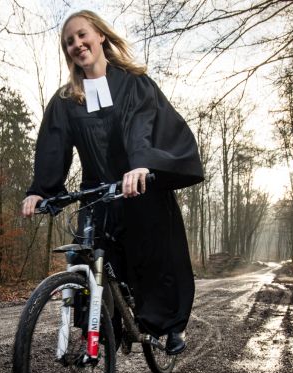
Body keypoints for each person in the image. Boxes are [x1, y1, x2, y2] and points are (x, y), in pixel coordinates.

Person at [21, 10, 204, 355]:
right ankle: (97, 333)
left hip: (140, 185)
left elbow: (140, 127)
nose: (76, 44)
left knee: (156, 256)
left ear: (100, 36)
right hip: (98, 194)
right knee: (85, 256)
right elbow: (53, 147)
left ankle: (171, 326)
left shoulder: (132, 83)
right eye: (68, 42)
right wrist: (39, 191)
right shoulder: (66, 100)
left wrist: (140, 165)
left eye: (81, 35)